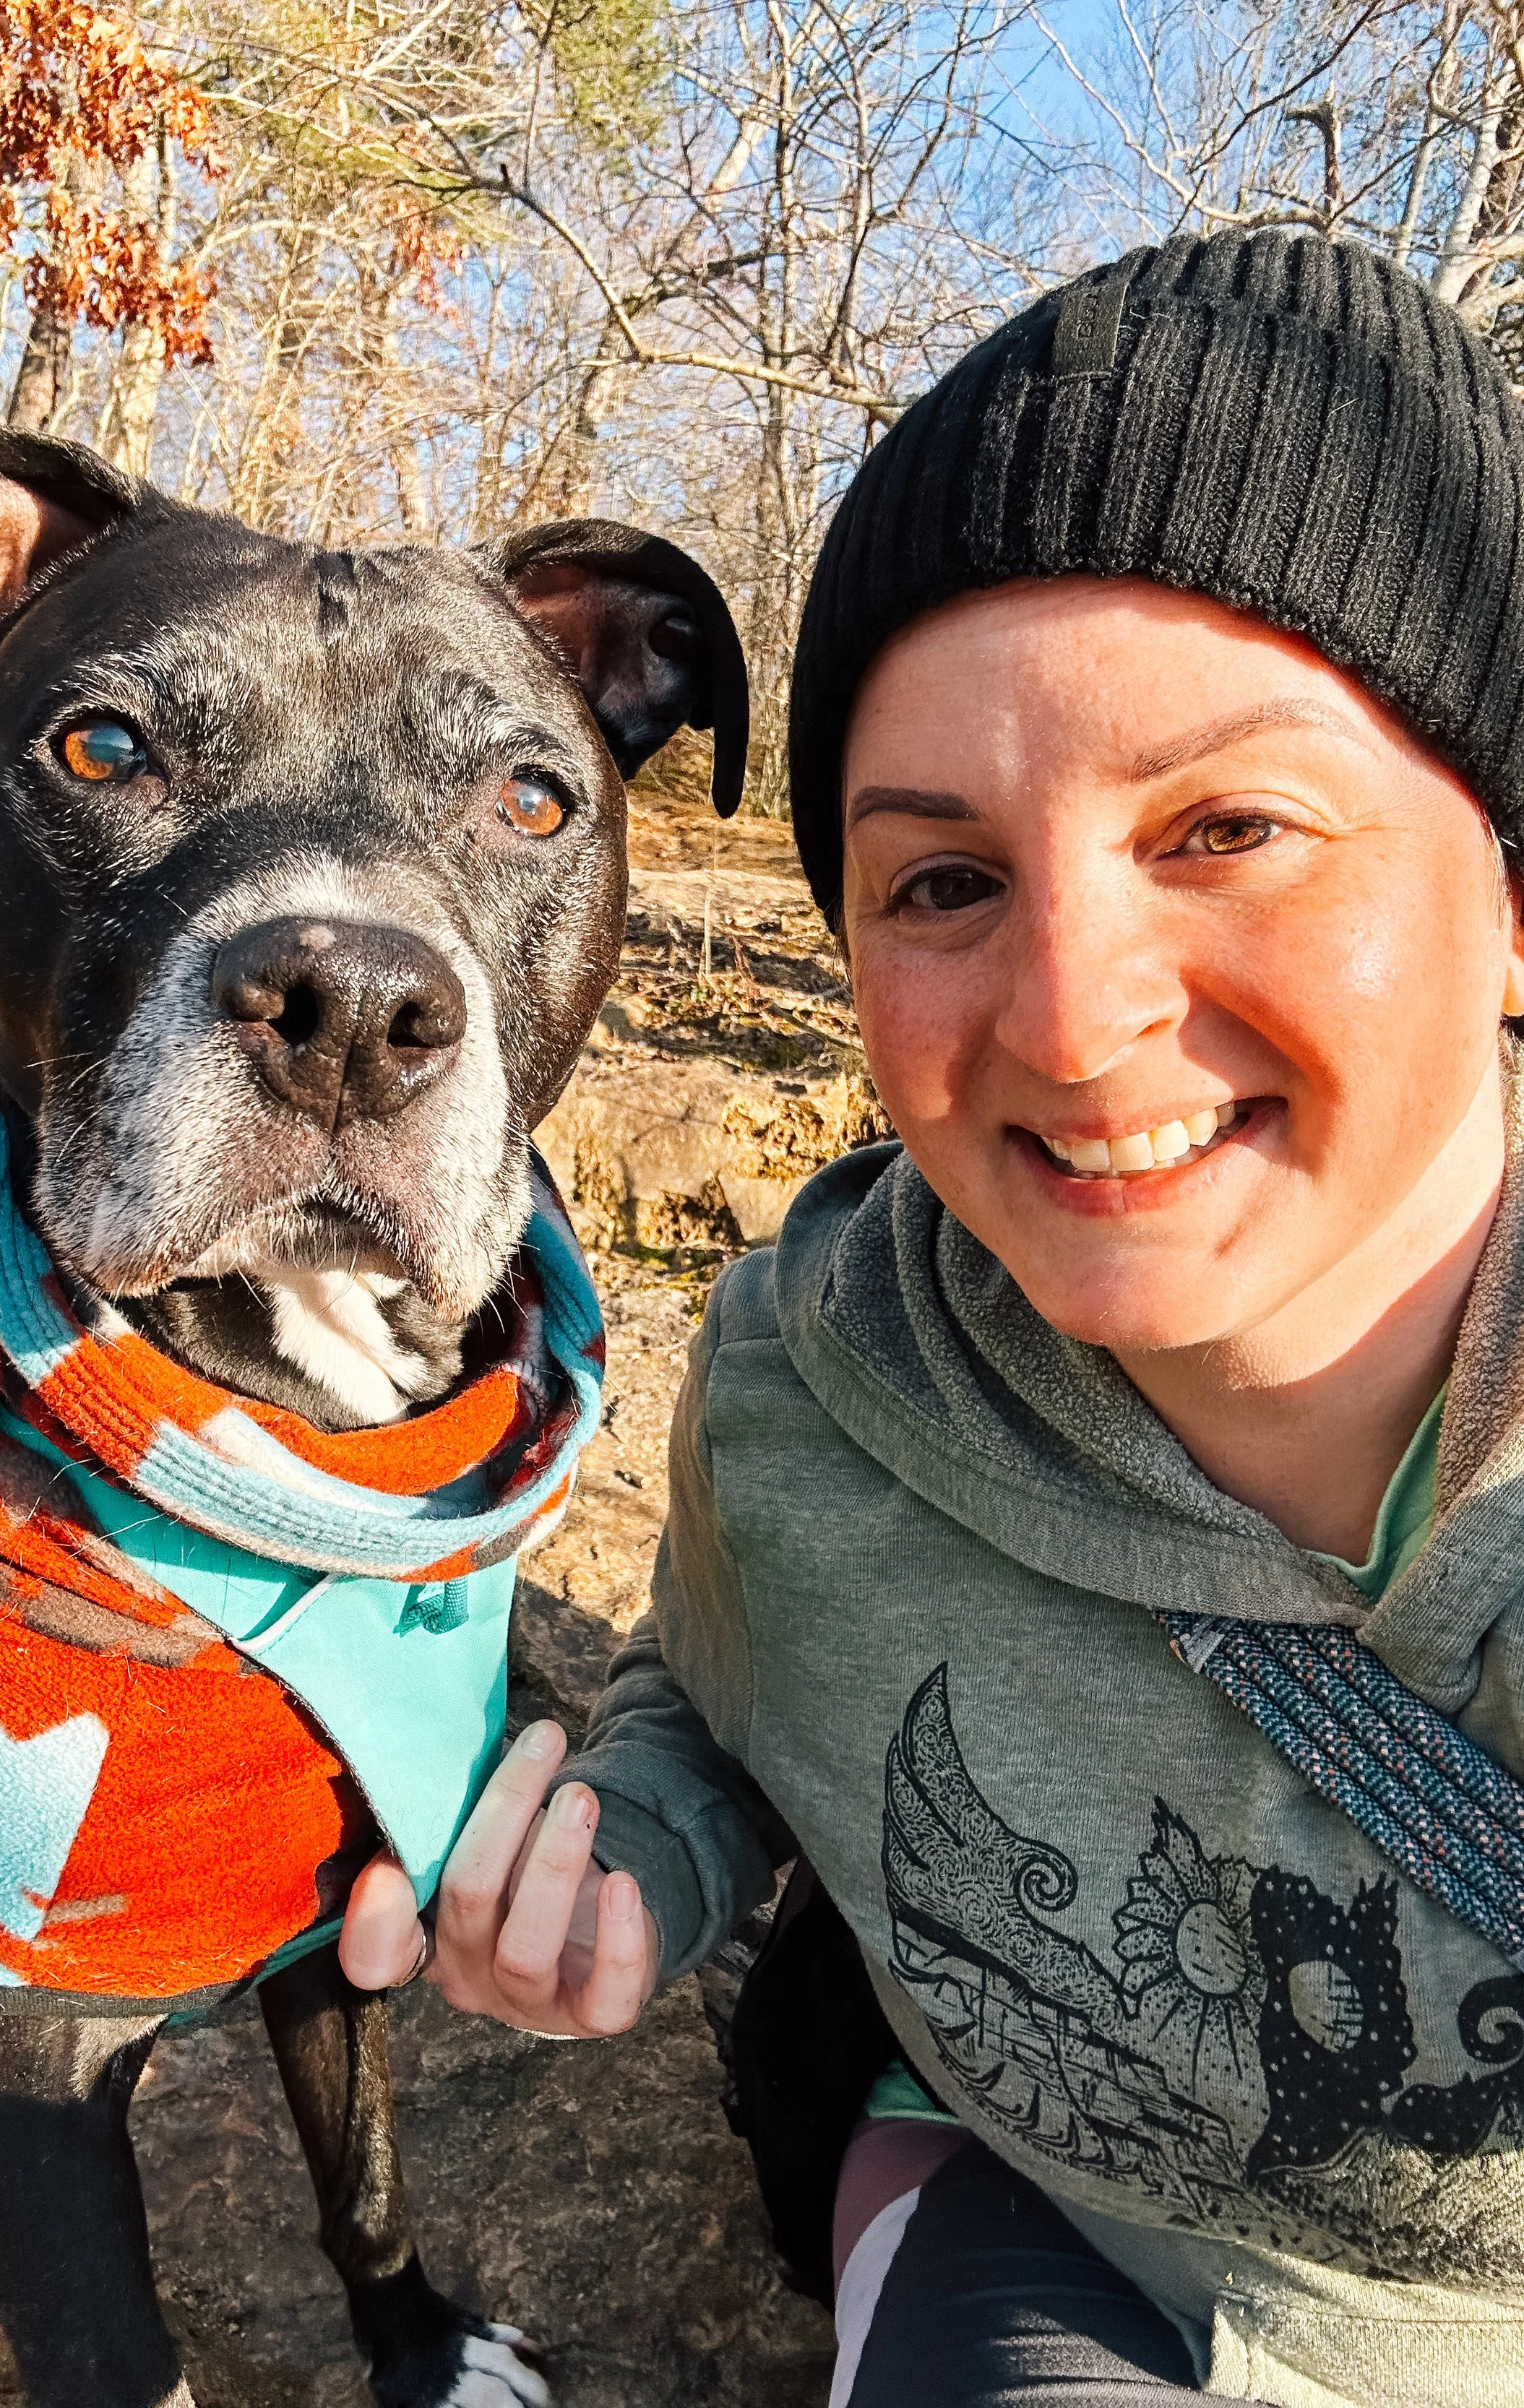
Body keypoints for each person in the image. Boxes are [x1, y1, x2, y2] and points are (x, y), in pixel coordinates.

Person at [340, 230, 1524, 2405]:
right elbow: (710, 1699)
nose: (1072, 1024)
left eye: (1229, 825)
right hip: (1039, 2220)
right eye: (943, 881)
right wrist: (640, 1859)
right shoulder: (807, 1380)